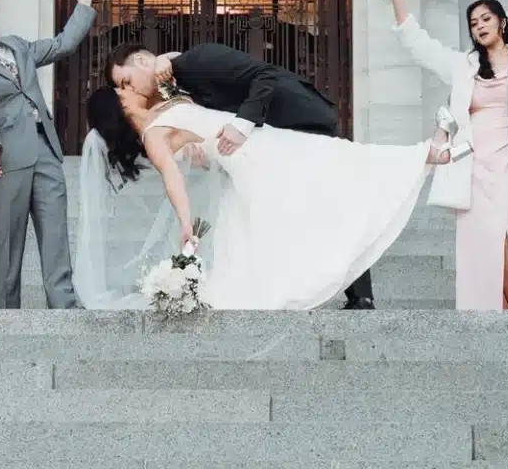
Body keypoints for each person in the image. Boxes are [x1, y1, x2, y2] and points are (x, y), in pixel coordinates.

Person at [77, 80, 461, 311]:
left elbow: (199, 119)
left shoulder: (163, 105)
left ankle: (426, 154)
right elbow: (173, 181)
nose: (129, 87)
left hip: (255, 142)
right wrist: (184, 223)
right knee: (335, 164)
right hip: (251, 158)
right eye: (121, 90)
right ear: (120, 107)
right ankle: (426, 153)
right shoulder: (153, 136)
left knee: (336, 158)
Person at [109, 42, 382, 310]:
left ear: (143, 62)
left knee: (331, 207)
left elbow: (266, 74)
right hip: (272, 142)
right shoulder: (175, 82)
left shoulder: (199, 60)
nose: (129, 90)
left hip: (303, 120)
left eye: (126, 81)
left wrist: (242, 124)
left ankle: (360, 296)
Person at [386, 0, 508, 309]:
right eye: (473, 23)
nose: (479, 26)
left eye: (486, 19)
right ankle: (478, 314)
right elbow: (419, 45)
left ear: (502, 22)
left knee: (507, 240)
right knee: (475, 245)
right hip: (472, 166)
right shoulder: (464, 66)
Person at [0, 0, 97, 310]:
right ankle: (6, 309)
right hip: (6, 155)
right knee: (7, 239)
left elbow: (62, 45)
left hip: (45, 149)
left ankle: (63, 303)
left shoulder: (16, 45)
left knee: (56, 232)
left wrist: (84, 4)